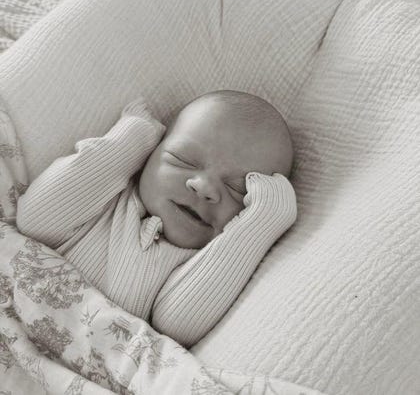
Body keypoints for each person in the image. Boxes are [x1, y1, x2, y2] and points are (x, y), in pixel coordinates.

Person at [16, 90, 297, 347]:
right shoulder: (106, 200)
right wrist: (129, 143)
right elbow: (35, 220)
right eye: (182, 159)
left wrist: (259, 225)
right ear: (150, 154)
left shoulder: (202, 263)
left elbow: (178, 325)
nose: (204, 187)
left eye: (238, 189)